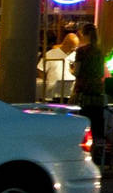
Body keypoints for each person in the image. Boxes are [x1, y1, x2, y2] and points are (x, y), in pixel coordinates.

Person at [71, 21, 105, 163]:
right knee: (96, 125)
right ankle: (97, 155)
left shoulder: (81, 51)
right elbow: (101, 71)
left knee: (81, 123)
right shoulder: (99, 51)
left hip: (83, 91)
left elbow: (77, 71)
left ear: (84, 35)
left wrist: (72, 70)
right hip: (97, 92)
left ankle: (81, 155)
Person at [38, 31, 74, 101]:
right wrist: (48, 82)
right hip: (53, 93)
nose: (73, 50)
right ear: (65, 43)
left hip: (69, 93)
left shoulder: (74, 55)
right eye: (72, 47)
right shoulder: (50, 54)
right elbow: (40, 69)